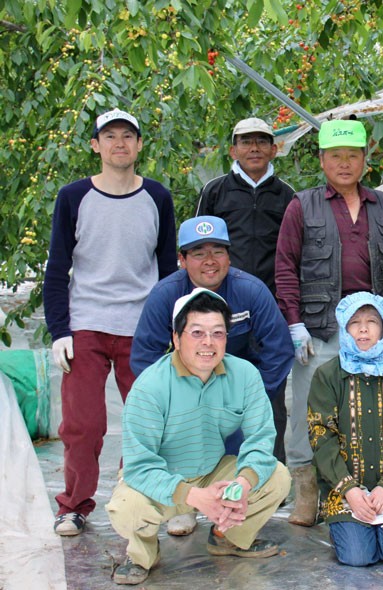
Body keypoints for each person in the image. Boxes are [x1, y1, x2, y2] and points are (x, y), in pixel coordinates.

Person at [42, 108, 177, 537]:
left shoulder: (157, 197)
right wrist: (60, 330)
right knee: (83, 424)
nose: (120, 143)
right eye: (110, 136)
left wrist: (172, 327)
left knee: (147, 421)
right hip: (87, 323)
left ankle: (135, 499)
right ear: (95, 145)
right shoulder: (74, 196)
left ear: (139, 145)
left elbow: (168, 269)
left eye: (128, 136)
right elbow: (57, 267)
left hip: (143, 327)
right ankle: (74, 506)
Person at [107, 289, 291, 585]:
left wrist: (242, 484)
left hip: (213, 477)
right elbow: (139, 466)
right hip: (163, 483)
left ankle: (226, 538)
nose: (208, 343)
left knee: (277, 477)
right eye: (197, 333)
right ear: (176, 339)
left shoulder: (244, 374)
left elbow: (261, 439)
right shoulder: (150, 387)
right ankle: (142, 554)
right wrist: (194, 497)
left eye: (218, 333)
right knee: (126, 507)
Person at [130, 215, 294, 535]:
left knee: (254, 455)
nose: (210, 261)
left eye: (218, 251)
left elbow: (280, 349)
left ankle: (230, 525)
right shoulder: (165, 295)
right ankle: (184, 503)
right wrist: (172, 398)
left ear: (229, 256)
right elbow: (144, 358)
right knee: (182, 439)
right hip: (183, 386)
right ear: (182, 259)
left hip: (239, 386)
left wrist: (252, 396)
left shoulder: (251, 291)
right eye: (198, 252)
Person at [275, 119, 383, 526]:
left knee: (365, 409)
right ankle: (306, 488)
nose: (344, 163)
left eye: (352, 155)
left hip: (372, 329)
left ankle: (354, 491)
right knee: (308, 410)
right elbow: (285, 268)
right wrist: (294, 322)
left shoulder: (382, 205)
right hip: (320, 326)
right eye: (335, 156)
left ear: (365, 159)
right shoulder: (303, 204)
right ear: (322, 160)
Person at [307, 292, 383, 566]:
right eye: (354, 322)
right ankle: (344, 526)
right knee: (358, 557)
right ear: (344, 328)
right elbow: (321, 436)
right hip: (345, 490)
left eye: (372, 321)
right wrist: (349, 490)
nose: (363, 329)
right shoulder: (327, 376)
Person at [195, 117, 294, 294]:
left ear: (273, 150)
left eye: (262, 142)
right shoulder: (214, 191)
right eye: (246, 142)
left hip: (273, 294)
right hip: (223, 291)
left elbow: (294, 250)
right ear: (233, 151)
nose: (254, 149)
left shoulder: (287, 194)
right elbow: (198, 243)